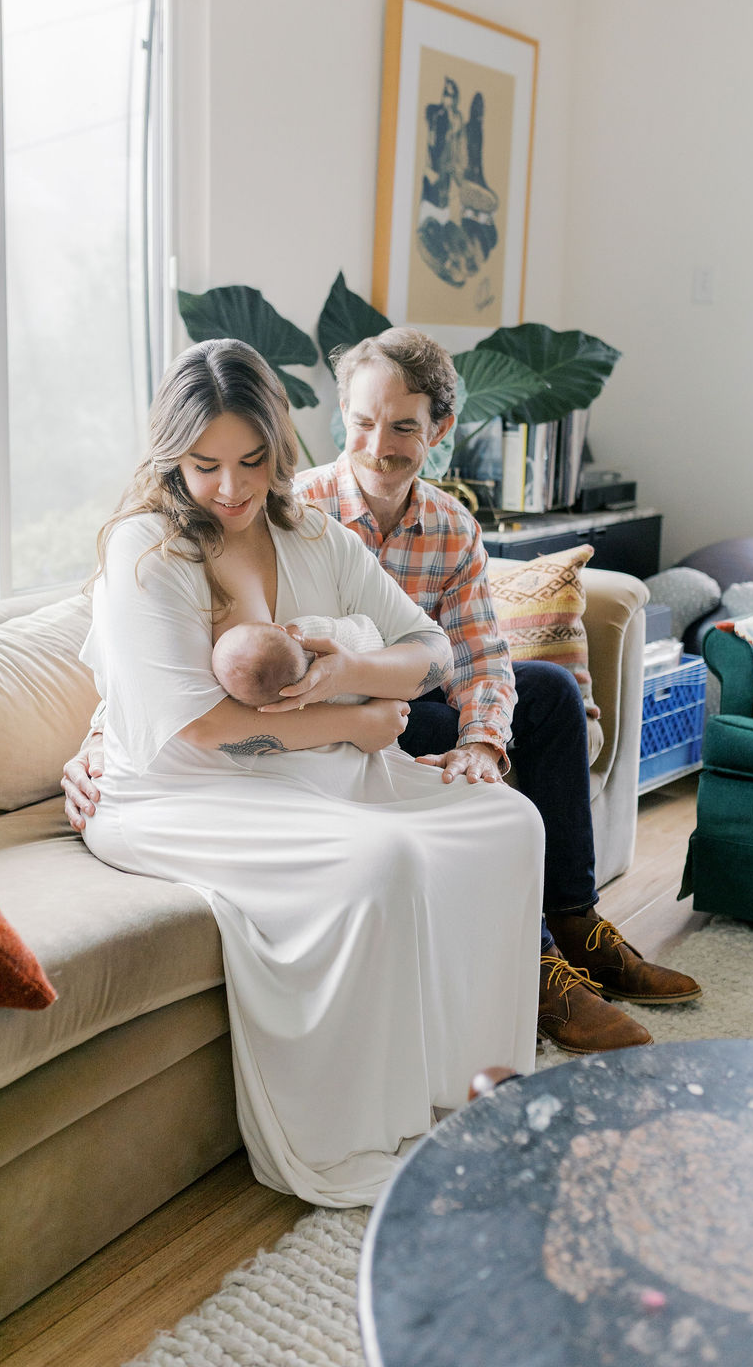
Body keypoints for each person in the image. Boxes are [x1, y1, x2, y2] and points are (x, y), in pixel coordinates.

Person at [64, 327, 702, 1057]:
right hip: (335, 723)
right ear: (341, 415)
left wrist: (481, 745)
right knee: (428, 770)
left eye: (403, 425)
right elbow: (154, 671)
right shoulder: (287, 506)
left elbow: (472, 654)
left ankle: (575, 920)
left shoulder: (448, 524)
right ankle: (535, 971)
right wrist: (96, 747)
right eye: (364, 422)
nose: (378, 444)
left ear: (439, 428)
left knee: (550, 691)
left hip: (387, 694)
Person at [75, 338, 544, 1207]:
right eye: (204, 464)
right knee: (380, 861)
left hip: (317, 764)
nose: (230, 488)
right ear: (169, 454)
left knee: (508, 821)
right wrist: (359, 723)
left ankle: (462, 1082)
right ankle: (355, 1132)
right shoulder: (148, 547)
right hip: (178, 787)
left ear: (279, 445)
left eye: (252, 460)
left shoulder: (310, 532)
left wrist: (345, 677)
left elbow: (431, 648)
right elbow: (205, 727)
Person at [211, 612, 390, 707]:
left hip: (381, 684)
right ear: (278, 628)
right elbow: (362, 626)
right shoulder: (306, 631)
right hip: (381, 647)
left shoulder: (317, 700)